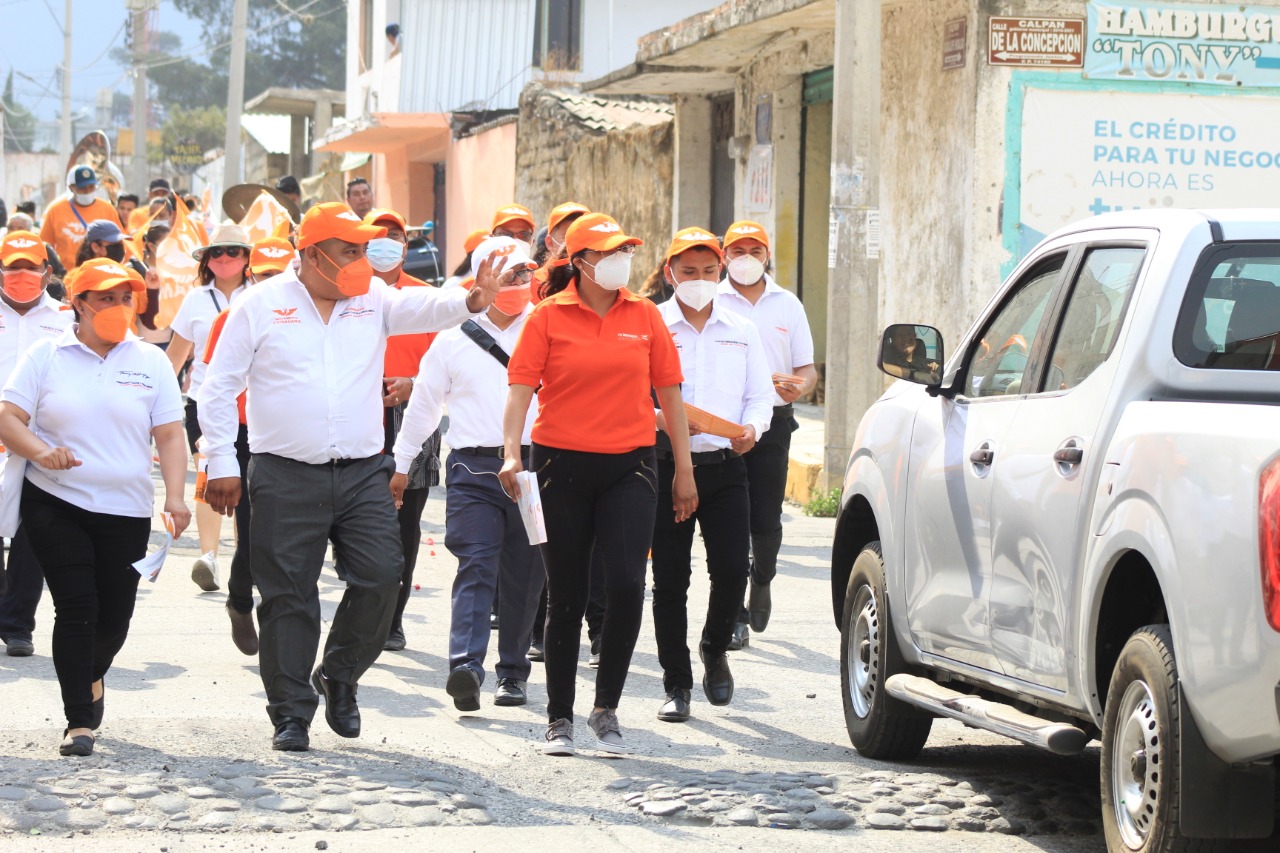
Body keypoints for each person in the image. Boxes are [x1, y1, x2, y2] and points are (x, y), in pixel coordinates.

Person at [197, 202, 501, 752]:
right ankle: (291, 713)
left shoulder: (373, 298)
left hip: (363, 472)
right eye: (350, 250)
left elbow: (421, 305)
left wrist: (470, 299)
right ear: (313, 254)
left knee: (383, 578)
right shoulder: (259, 306)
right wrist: (220, 461)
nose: (364, 260)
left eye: (365, 249)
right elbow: (217, 388)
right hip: (285, 474)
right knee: (288, 596)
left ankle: (339, 673)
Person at [499, 212, 698, 757]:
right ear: (580, 262)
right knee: (565, 595)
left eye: (626, 252)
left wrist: (684, 468)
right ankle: (558, 718)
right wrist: (512, 453)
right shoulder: (547, 316)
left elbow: (671, 396)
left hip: (630, 467)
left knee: (628, 586)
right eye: (609, 253)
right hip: (559, 466)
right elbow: (519, 390)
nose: (621, 261)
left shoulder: (645, 316)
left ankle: (605, 709)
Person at [0, 257, 191, 756]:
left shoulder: (149, 361)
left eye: (125, 298)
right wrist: (43, 452)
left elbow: (170, 433)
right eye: (105, 298)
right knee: (77, 607)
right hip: (55, 501)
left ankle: (92, 678)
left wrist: (175, 495)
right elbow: (8, 417)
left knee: (115, 618)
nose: (117, 306)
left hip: (126, 509)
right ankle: (78, 722)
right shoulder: (46, 355)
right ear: (78, 304)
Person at [391, 236, 544, 709]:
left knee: (524, 573)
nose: (520, 282)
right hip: (473, 469)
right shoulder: (452, 339)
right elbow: (423, 407)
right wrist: (400, 464)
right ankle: (466, 667)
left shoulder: (547, 329)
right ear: (482, 276)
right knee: (476, 564)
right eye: (509, 273)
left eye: (525, 274)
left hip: (536, 469)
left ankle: (513, 672)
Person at [650, 228, 774, 722]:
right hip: (664, 468)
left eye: (707, 271)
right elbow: (637, 396)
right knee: (669, 579)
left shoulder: (740, 328)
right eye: (687, 272)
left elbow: (760, 395)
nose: (698, 280)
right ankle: (676, 683)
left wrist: (752, 429)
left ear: (719, 272)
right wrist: (662, 419)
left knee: (729, 569)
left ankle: (714, 647)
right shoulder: (653, 325)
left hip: (726, 468)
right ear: (669, 275)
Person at [717, 221, 818, 650]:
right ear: (724, 257)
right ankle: (734, 612)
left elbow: (807, 371)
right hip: (726, 423)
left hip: (773, 425)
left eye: (753, 250)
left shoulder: (787, 304)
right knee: (731, 520)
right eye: (736, 250)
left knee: (765, 518)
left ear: (766, 255)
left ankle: (763, 577)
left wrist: (800, 387)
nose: (745, 257)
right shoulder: (713, 301)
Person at [199, 237, 297, 656]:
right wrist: (209, 441)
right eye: (265, 274)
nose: (271, 283)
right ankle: (241, 602)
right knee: (255, 528)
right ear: (251, 274)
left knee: (289, 532)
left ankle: (280, 613)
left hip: (290, 434)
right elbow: (211, 382)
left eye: (280, 274)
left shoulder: (313, 314)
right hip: (242, 435)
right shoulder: (233, 316)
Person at [363, 208, 441, 652]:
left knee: (406, 520)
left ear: (405, 248)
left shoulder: (426, 298)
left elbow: (442, 363)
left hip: (415, 413)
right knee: (359, 518)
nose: (385, 242)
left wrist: (414, 386)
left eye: (393, 236)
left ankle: (392, 619)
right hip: (358, 413)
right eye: (376, 235)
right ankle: (367, 603)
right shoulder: (344, 295)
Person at [166, 224, 253, 592]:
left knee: (248, 486)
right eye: (216, 252)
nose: (223, 258)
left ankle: (244, 557)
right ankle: (209, 556)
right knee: (210, 471)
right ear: (206, 259)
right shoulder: (196, 299)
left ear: (247, 257)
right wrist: (157, 407)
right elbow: (174, 358)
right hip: (204, 402)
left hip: (255, 405)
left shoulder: (263, 294)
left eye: (232, 251)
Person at [0, 231, 74, 656]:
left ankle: (16, 625)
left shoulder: (65, 318)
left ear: (47, 271)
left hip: (40, 442)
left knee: (33, 532)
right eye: (14, 267)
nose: (22, 275)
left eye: (31, 267)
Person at [39, 167, 122, 272]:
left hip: (101, 272)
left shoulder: (108, 209)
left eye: (91, 187)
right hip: (67, 276)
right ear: (71, 188)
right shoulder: (56, 210)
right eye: (82, 188)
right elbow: (45, 245)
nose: (87, 191)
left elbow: (120, 242)